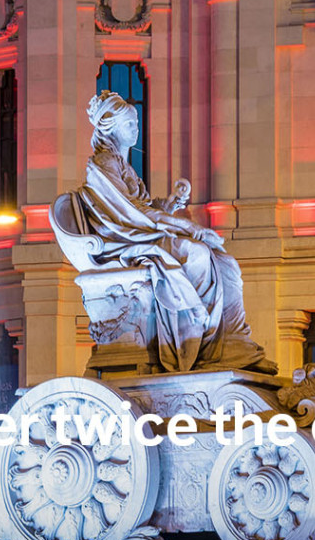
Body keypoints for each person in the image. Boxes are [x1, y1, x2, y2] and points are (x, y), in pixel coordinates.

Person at [51, 91, 275, 374]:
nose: (136, 128)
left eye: (136, 122)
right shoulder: (103, 164)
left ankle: (232, 341)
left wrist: (169, 205)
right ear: (110, 127)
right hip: (123, 243)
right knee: (196, 254)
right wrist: (190, 227)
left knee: (226, 263)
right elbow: (128, 215)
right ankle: (199, 344)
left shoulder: (123, 167)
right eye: (129, 123)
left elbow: (140, 210)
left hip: (138, 235)